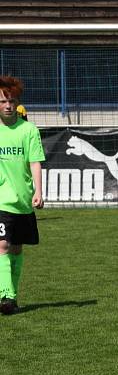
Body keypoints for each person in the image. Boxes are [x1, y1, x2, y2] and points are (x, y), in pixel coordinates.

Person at [0, 76, 45, 315]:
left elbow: (35, 162)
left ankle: (12, 296)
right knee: (2, 245)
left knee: (16, 249)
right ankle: (4, 295)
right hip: (1, 201)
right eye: (2, 101)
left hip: (23, 200)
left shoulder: (28, 130)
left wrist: (38, 191)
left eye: (11, 101)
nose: (7, 105)